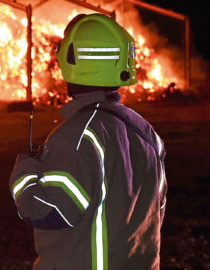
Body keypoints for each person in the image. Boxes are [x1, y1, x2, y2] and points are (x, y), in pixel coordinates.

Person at [9, 14, 167, 269]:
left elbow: (50, 211)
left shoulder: (77, 136)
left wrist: (25, 173)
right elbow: (156, 211)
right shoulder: (146, 133)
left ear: (70, 61)